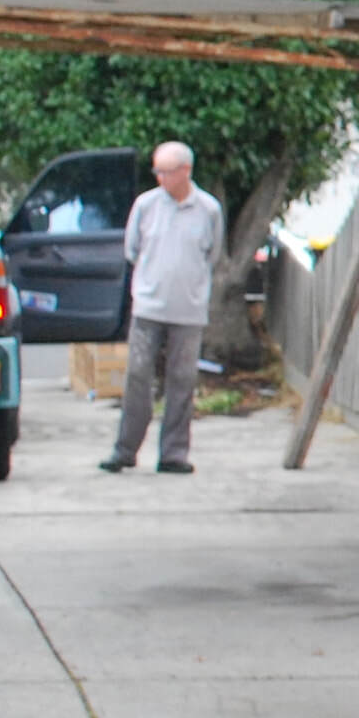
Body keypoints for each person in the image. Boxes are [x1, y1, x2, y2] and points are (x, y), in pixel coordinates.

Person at [102, 142, 224, 474]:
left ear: (185, 171)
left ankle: (173, 454)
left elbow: (212, 255)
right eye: (156, 171)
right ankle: (125, 450)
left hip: (188, 309)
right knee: (138, 376)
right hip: (148, 307)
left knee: (181, 380)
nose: (160, 178)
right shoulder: (146, 205)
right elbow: (132, 249)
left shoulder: (208, 209)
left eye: (166, 172)